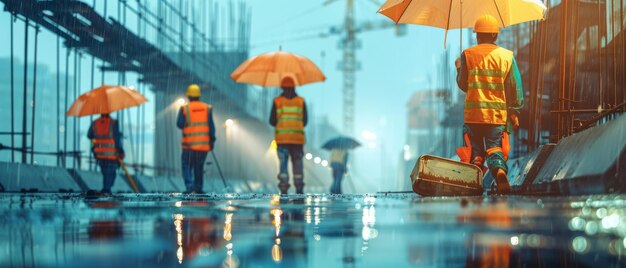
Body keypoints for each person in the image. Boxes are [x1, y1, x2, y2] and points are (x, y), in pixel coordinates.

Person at [455, 15, 524, 193]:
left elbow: (463, 85)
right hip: (496, 115)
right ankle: (499, 171)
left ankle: (474, 179)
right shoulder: (507, 57)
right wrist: (514, 111)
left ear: (477, 35)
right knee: (494, 148)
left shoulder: (467, 55)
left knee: (475, 153)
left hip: (473, 116)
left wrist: (459, 68)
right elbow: (514, 87)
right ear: (495, 35)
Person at [270, 77, 308, 194]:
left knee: (283, 163)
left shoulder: (277, 101)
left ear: (282, 87)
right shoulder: (301, 101)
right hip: (297, 140)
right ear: (294, 86)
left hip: (282, 139)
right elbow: (305, 121)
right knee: (297, 163)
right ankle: (299, 188)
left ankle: (284, 188)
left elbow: (272, 121)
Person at [177, 84, 216, 194]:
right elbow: (211, 127)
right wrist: (212, 141)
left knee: (187, 165)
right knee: (199, 167)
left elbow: (179, 124)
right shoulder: (207, 108)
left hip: (188, 145)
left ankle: (189, 187)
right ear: (199, 96)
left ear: (188, 96)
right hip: (203, 146)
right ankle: (198, 188)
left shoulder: (184, 108)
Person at [88, 113, 124, 194]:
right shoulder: (114, 122)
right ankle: (106, 191)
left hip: (100, 154)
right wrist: (121, 151)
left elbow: (89, 135)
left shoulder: (95, 123)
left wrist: (98, 138)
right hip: (111, 154)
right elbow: (117, 139)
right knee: (111, 173)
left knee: (105, 172)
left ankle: (106, 189)